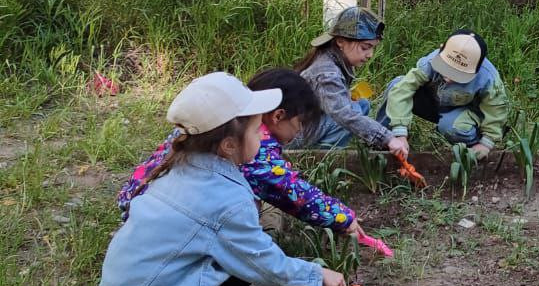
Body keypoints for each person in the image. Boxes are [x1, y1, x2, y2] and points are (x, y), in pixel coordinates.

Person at [97, 73, 345, 286]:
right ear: (228, 145)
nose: (261, 138)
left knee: (232, 253)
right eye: (256, 132)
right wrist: (316, 275)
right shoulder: (226, 199)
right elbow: (261, 261)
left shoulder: (183, 162)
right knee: (242, 267)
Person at [117, 68, 363, 238]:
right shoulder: (248, 140)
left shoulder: (217, 118)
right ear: (278, 116)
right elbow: (288, 189)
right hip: (170, 228)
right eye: (299, 124)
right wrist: (342, 217)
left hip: (142, 205)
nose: (298, 134)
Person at [294, 6, 407, 157]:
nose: (370, 55)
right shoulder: (326, 72)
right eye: (365, 47)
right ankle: (321, 158)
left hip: (310, 124)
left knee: (362, 104)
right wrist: (388, 137)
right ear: (340, 41)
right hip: (294, 133)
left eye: (373, 48)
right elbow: (345, 115)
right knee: (353, 112)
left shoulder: (334, 58)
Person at [383, 31, 510, 160]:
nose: (448, 78)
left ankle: (471, 143)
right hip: (433, 101)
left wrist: (486, 143)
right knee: (396, 85)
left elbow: (496, 110)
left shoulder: (488, 78)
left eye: (457, 74)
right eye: (446, 69)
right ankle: (383, 137)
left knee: (453, 128)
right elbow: (405, 88)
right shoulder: (432, 60)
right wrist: (400, 133)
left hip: (462, 112)